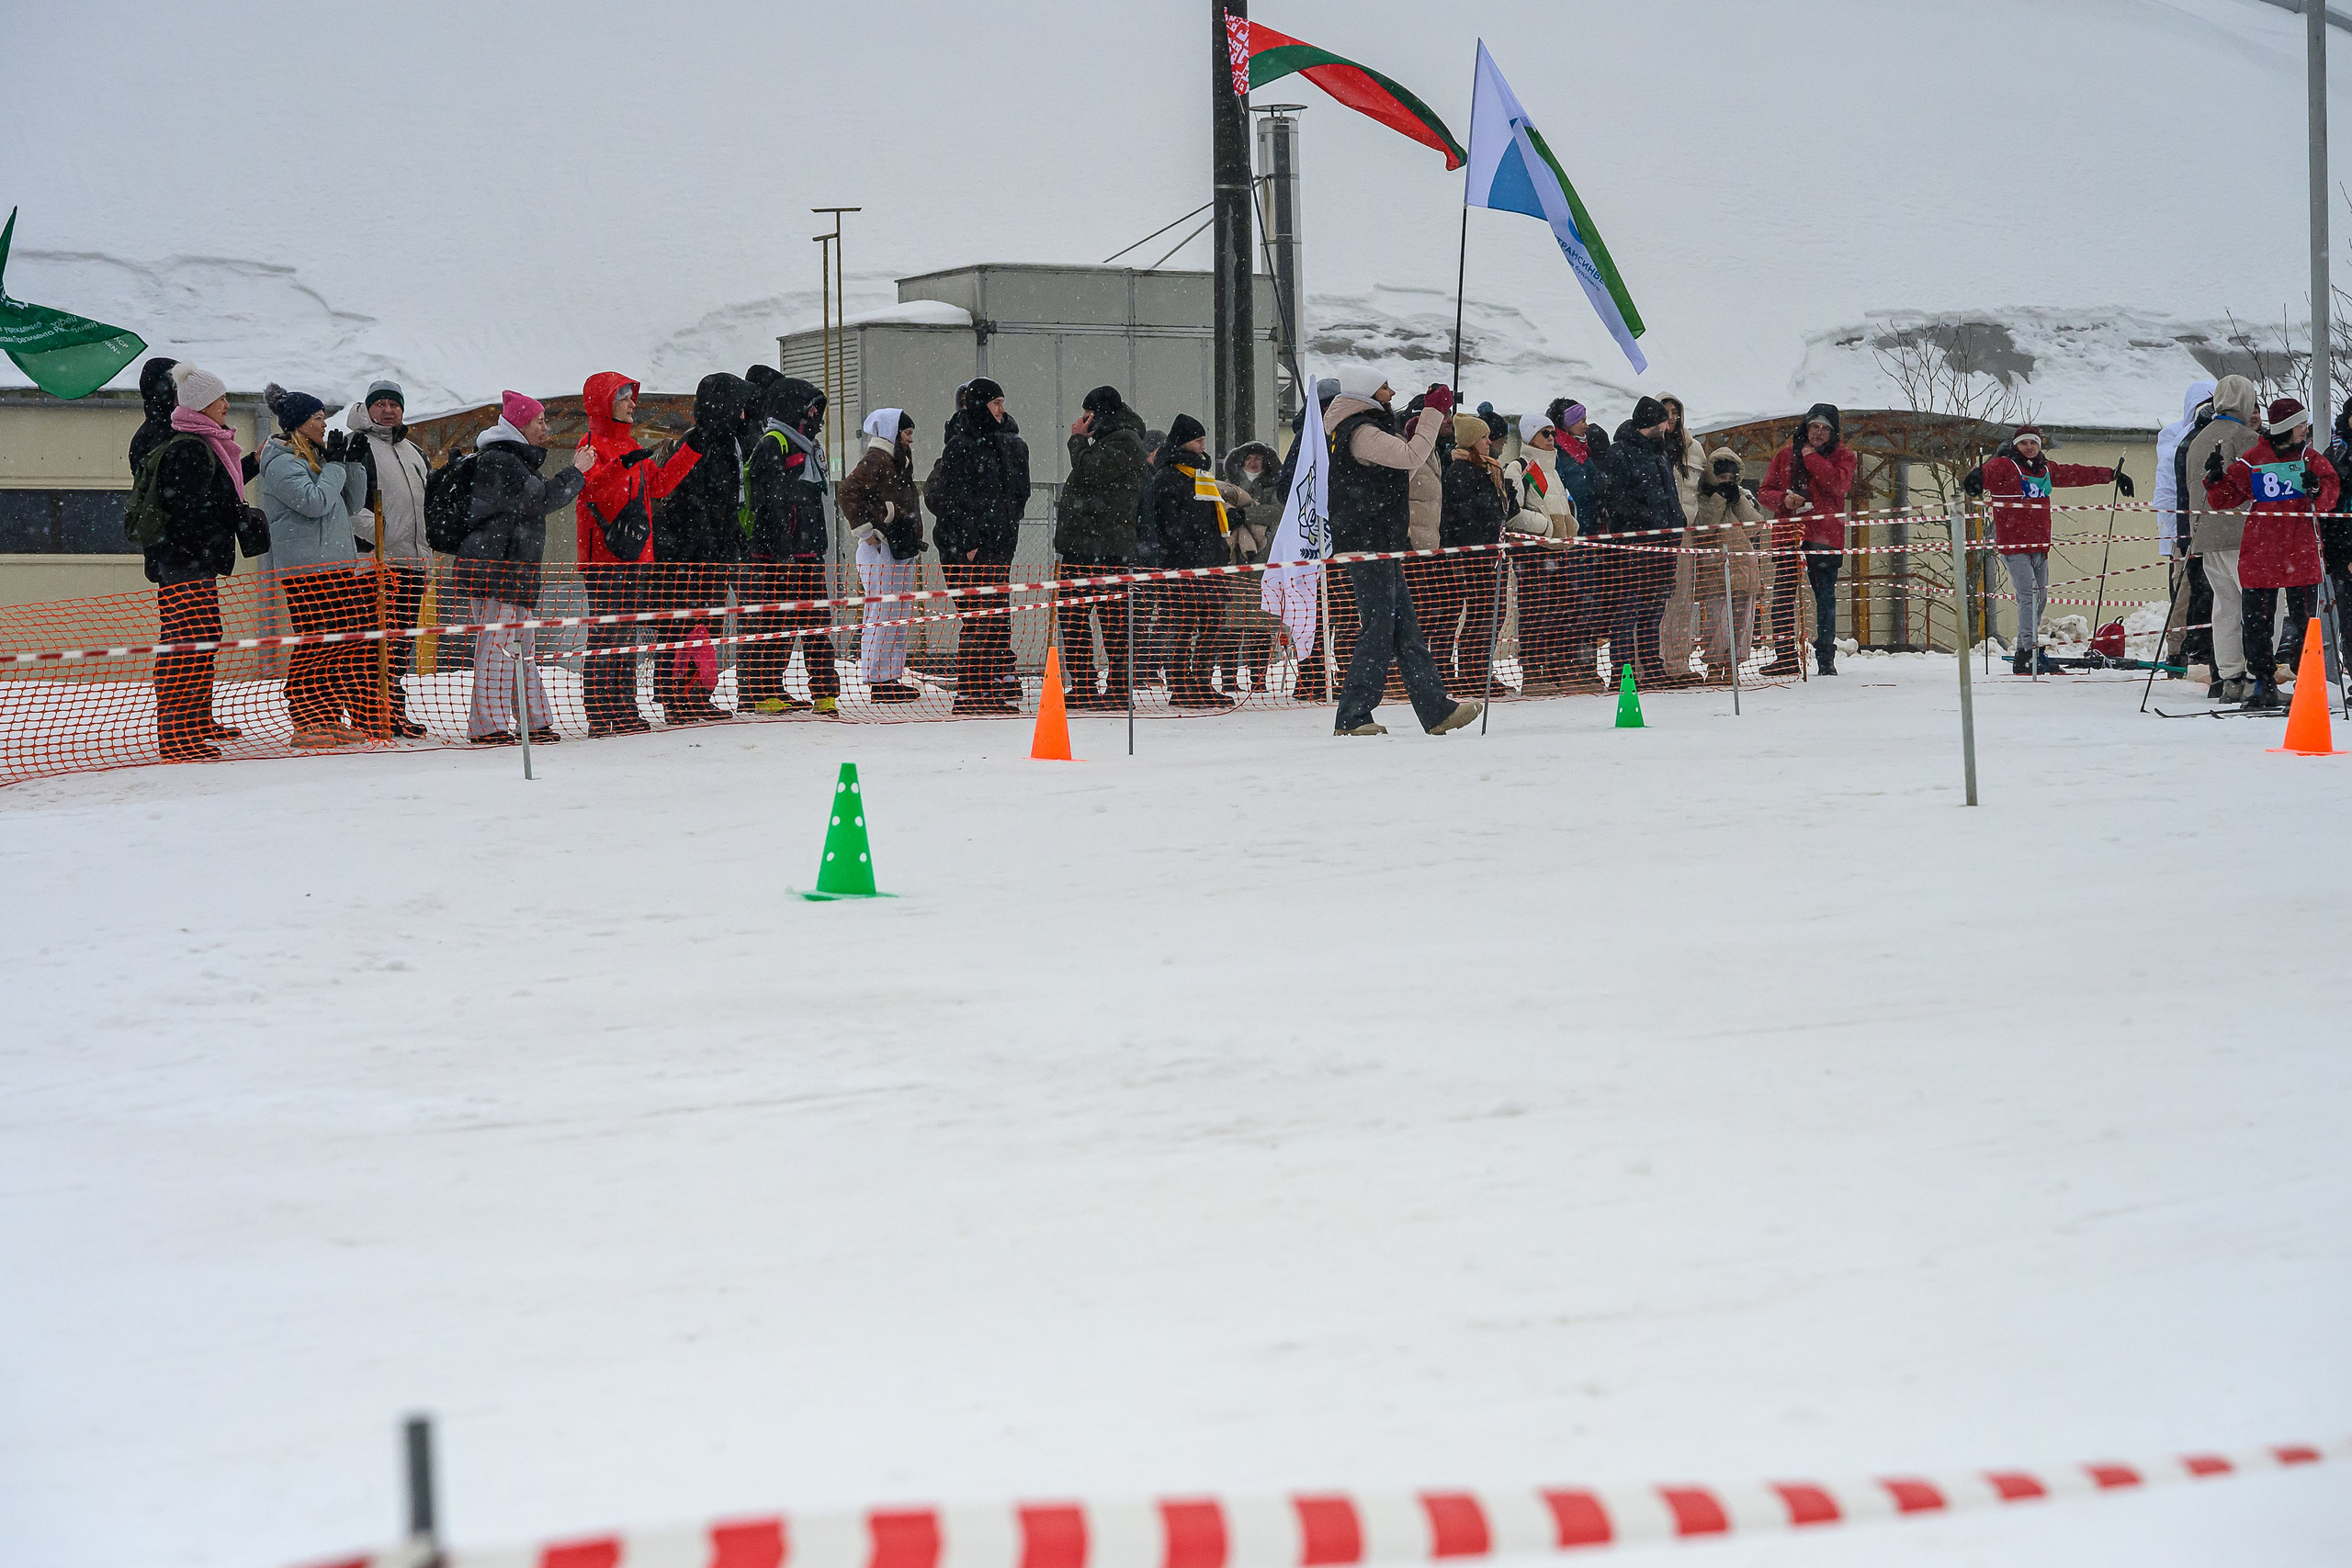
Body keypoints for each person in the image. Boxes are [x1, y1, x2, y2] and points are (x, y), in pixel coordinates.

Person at [1323, 369, 1478, 736]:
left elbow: (1393, 479)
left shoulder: (1364, 428)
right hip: (1369, 544)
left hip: (1379, 543)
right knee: (1379, 629)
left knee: (1405, 630)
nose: (1391, 392)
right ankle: (1353, 714)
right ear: (1366, 392)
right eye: (1384, 386)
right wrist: (1432, 413)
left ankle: (1435, 709)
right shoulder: (1360, 431)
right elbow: (1410, 459)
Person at [136, 366, 258, 761]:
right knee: (188, 644)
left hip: (190, 565)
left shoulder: (203, 443)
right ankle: (176, 735)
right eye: (221, 399)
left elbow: (207, 496)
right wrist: (235, 517)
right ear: (201, 404)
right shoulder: (190, 446)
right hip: (186, 565)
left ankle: (191, 724)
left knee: (202, 638)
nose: (227, 405)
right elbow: (189, 514)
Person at [457, 390, 593, 744]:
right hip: (498, 571)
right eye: (540, 421)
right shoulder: (501, 460)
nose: (546, 428)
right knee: (500, 649)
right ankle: (489, 725)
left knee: (520, 648)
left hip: (512, 570)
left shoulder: (513, 459)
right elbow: (541, 499)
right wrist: (576, 472)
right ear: (520, 425)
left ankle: (534, 720)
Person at [575, 370, 701, 735]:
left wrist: (691, 449)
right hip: (604, 559)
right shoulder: (589, 445)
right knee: (606, 637)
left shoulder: (630, 444)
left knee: (627, 637)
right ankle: (600, 712)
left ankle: (625, 706)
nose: (633, 403)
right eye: (624, 396)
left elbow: (658, 486)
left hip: (636, 556)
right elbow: (588, 492)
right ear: (605, 403)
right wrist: (620, 466)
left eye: (632, 396)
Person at [258, 384, 375, 746]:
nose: (324, 424)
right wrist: (335, 467)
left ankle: (328, 714)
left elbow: (352, 504)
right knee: (316, 639)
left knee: (338, 641)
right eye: (318, 418)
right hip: (307, 568)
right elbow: (315, 502)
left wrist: (353, 463)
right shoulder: (281, 463)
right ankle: (306, 718)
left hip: (338, 563)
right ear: (298, 424)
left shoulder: (319, 461)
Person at [2204, 396, 2339, 709]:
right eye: (2300, 426)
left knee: (2306, 622)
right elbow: (2225, 498)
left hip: (2298, 550)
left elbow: (2329, 494)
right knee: (2258, 623)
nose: (2305, 431)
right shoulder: (2254, 458)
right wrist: (2214, 480)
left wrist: (2316, 489)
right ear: (2287, 429)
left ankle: (2307, 681)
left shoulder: (2310, 458)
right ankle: (2262, 683)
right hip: (2262, 552)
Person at [1978, 423, 2131, 674]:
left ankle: (2029, 650)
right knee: (2029, 597)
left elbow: (2075, 474)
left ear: (2040, 446)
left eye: (2033, 443)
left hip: (2040, 546)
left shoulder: (2045, 470)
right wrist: (1977, 477)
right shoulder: (2006, 465)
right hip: (2014, 545)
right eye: (2024, 443)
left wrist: (2111, 475)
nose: (2029, 447)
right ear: (2016, 446)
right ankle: (2028, 653)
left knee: (2041, 599)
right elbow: (1988, 472)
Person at [653, 372, 750, 724]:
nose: (742, 415)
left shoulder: (726, 442)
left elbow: (722, 503)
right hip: (688, 558)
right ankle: (676, 698)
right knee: (682, 628)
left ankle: (696, 694)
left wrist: (733, 532)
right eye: (736, 407)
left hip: (710, 556)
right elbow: (688, 500)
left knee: (704, 628)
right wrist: (710, 540)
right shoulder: (698, 442)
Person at [741, 377, 840, 714]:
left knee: (816, 624)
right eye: (812, 408)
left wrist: (817, 545)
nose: (816, 416)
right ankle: (763, 690)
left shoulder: (807, 447)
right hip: (778, 556)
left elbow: (812, 503)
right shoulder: (774, 442)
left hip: (808, 552)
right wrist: (782, 550)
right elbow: (770, 504)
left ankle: (825, 693)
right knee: (775, 624)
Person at [933, 377, 1029, 714]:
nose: (1002, 410)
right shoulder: (960, 445)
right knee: (978, 620)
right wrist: (970, 541)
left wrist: (1008, 527)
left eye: (1003, 403)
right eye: (995, 403)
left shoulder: (1012, 444)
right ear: (979, 406)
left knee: (995, 619)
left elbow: (1019, 494)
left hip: (1000, 545)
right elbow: (952, 499)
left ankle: (992, 688)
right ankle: (971, 691)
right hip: (967, 549)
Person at [345, 380, 431, 737]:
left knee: (399, 647)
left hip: (412, 563)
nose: (388, 410)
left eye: (394, 404)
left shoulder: (414, 451)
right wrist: (382, 532)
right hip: (375, 562)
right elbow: (348, 505)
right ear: (368, 409)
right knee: (371, 645)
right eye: (379, 404)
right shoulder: (357, 447)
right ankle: (368, 716)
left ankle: (393, 711)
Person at [1055, 385, 1150, 708]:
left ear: (1099, 413)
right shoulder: (1114, 440)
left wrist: (1078, 440)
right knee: (1076, 616)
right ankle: (1085, 684)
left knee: (1111, 620)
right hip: (1090, 546)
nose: (1082, 420)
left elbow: (1092, 471)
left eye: (1087, 414)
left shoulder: (1124, 441)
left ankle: (1117, 687)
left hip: (1103, 548)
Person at [1590, 396, 1690, 685]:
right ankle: (1623, 672)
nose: (1667, 426)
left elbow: (1670, 496)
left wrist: (1676, 522)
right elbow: (1615, 499)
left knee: (1654, 610)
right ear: (1651, 423)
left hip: (1663, 546)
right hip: (1635, 548)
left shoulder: (1659, 453)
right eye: (1663, 421)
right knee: (1628, 610)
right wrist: (1650, 521)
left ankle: (1652, 667)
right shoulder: (1620, 452)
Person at [1141, 415, 1236, 707]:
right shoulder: (1169, 477)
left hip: (1209, 564)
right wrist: (1191, 549)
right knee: (1184, 624)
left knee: (1212, 623)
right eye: (1198, 440)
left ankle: (1201, 682)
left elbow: (1209, 519)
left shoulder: (1201, 476)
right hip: (1183, 565)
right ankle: (1182, 686)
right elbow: (1169, 526)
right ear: (1183, 442)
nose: (1202, 446)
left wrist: (1219, 549)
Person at [1756, 402, 1856, 676]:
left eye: (1825, 428)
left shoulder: (1844, 456)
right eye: (1815, 426)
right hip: (1788, 534)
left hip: (1825, 538)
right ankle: (1785, 655)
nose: (1819, 433)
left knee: (1824, 598)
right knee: (1783, 596)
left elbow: (1837, 484)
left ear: (1833, 432)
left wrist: (1811, 457)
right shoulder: (1784, 455)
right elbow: (1764, 492)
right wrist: (1783, 500)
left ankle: (1825, 658)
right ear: (1806, 427)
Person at [2184, 375, 2264, 702]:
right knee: (2261, 606)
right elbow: (2260, 485)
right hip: (2242, 533)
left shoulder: (2198, 438)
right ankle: (2261, 674)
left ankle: (2230, 676)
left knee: (2225, 607)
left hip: (2205, 533)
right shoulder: (2245, 437)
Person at [838, 407, 925, 702]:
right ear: (892, 431)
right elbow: (848, 491)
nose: (910, 439)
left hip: (898, 546)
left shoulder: (896, 461)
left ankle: (890, 675)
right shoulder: (877, 459)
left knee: (897, 613)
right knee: (884, 613)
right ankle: (879, 679)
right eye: (907, 433)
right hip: (881, 548)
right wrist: (868, 530)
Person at [1439, 412, 1511, 689]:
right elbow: (1464, 515)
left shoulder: (1487, 470)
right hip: (1473, 554)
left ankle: (1479, 669)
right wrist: (1491, 498)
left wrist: (1506, 494)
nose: (1488, 442)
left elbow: (1499, 511)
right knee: (1482, 613)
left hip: (1488, 552)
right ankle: (1472, 671)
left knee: (1492, 612)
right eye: (1483, 437)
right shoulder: (1461, 471)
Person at [1502, 419, 1577, 690]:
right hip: (1533, 553)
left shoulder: (1553, 470)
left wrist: (1570, 523)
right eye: (1544, 433)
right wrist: (1546, 526)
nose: (1550, 438)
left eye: (1552, 433)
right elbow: (1512, 512)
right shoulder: (1518, 467)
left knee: (1559, 609)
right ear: (1530, 436)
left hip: (1558, 551)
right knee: (1535, 610)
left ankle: (1553, 667)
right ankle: (1532, 669)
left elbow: (1560, 504)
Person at [1689, 448, 1769, 678]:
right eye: (1722, 478)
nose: (1727, 483)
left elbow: (1755, 526)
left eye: (1731, 479)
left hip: (1744, 567)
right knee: (1717, 620)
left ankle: (1733, 664)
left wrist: (1738, 501)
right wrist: (1719, 499)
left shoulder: (1742, 497)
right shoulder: (1702, 498)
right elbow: (1703, 529)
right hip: (1715, 570)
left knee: (1742, 621)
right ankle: (1714, 664)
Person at [1544, 399, 1607, 688]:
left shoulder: (1584, 455)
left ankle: (1584, 664)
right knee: (1571, 603)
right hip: (1569, 541)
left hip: (1589, 539)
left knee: (1588, 605)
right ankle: (1565, 665)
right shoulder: (1555, 456)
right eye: (1578, 419)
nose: (1585, 424)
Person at [1218, 437, 1286, 698]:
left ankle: (1258, 678)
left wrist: (1245, 514)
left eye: (1258, 458)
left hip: (1263, 563)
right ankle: (1228, 678)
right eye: (1249, 458)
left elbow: (1277, 511)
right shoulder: (1229, 485)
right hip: (1234, 561)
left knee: (1260, 624)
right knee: (1232, 624)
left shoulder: (1274, 486)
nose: (1254, 462)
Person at [2161, 383, 2219, 672]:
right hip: (2187, 530)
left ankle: (2203, 647)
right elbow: (2173, 490)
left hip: (2207, 528)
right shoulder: (2180, 441)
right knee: (2184, 594)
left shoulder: (2214, 438)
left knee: (2208, 592)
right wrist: (2176, 531)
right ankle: (2179, 649)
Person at [1654, 395, 1707, 676]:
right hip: (1658, 534)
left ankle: (1678, 661)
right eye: (1665, 412)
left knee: (1684, 600)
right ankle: (1653, 661)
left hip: (1686, 534)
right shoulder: (1649, 446)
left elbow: (1705, 488)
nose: (1671, 417)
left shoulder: (1694, 449)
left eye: (1676, 412)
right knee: (1657, 602)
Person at [2324, 395, 2352, 673]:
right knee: (2349, 620)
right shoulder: (2335, 453)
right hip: (2344, 548)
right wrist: (2343, 557)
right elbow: (2329, 513)